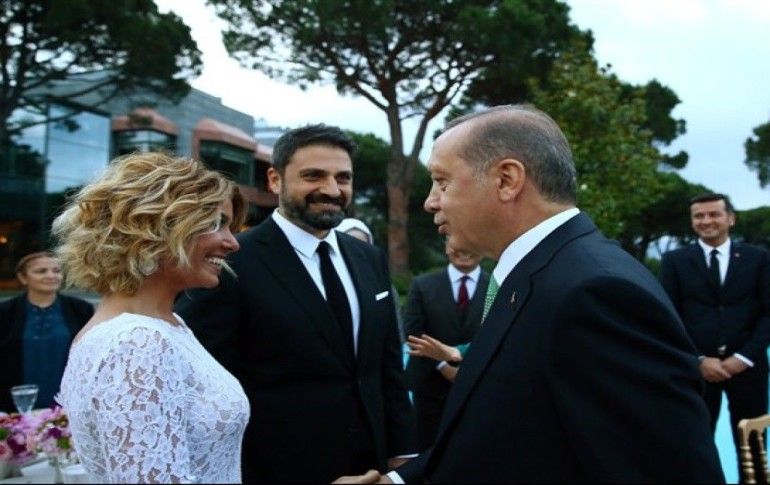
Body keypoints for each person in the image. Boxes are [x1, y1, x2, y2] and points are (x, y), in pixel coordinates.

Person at [350, 104, 723, 483]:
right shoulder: (537, 274)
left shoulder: (596, 292)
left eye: (442, 182)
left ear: (507, 180)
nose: (430, 201)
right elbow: (498, 434)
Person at [175, 125, 416, 482]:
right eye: (313, 176)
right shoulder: (231, 263)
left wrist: (403, 453)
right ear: (275, 180)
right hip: (276, 471)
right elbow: (200, 382)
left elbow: (387, 368)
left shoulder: (368, 258)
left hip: (371, 467)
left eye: (343, 178)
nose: (332, 189)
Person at [54, 152, 249, 483]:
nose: (232, 242)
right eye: (215, 223)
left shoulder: (166, 326)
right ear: (152, 227)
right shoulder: (135, 342)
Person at [659, 192, 770, 478]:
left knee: (754, 444)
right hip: (697, 372)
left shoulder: (758, 258)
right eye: (699, 216)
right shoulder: (674, 261)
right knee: (695, 445)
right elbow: (669, 315)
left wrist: (744, 357)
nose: (706, 221)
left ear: (730, 219)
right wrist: (698, 359)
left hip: (748, 368)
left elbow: (768, 313)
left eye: (714, 214)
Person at [402, 242, 488, 450]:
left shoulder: (498, 286)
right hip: (430, 390)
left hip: (479, 388)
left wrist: (465, 366)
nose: (464, 250)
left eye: (470, 243)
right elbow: (412, 332)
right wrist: (442, 365)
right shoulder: (423, 285)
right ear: (446, 247)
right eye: (457, 243)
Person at [0, 252, 93, 412]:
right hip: (16, 408)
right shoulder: (5, 312)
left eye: (56, 271)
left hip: (69, 407)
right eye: (41, 271)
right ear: (23, 277)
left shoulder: (80, 309)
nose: (51, 276)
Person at [336, 217, 407, 344]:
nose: (356, 250)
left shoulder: (383, 285)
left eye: (363, 245)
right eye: (350, 243)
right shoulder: (327, 281)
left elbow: (396, 331)